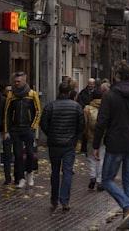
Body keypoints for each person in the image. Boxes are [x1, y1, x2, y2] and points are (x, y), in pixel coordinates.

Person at [93, 60, 129, 230]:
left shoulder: (109, 95)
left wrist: (96, 145)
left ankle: (127, 206)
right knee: (128, 182)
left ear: (117, 75)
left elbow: (101, 121)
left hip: (115, 143)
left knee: (107, 179)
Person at [40, 81, 84, 214]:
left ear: (58, 91)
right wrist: (74, 137)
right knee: (67, 172)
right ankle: (65, 200)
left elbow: (43, 123)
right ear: (70, 92)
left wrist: (51, 134)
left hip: (54, 144)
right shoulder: (76, 107)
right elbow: (81, 125)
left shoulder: (50, 106)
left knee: (54, 171)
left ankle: (54, 198)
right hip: (69, 144)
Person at [3, 72, 41, 189]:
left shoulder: (32, 94)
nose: (16, 83)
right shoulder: (11, 95)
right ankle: (20, 178)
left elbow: (38, 111)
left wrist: (33, 126)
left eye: (19, 81)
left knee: (30, 153)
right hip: (15, 129)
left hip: (28, 128)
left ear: (25, 81)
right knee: (18, 155)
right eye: (15, 81)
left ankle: (29, 173)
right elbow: (7, 113)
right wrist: (6, 130)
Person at [83, 82, 108, 190]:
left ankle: (92, 176)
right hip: (103, 137)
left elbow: (84, 124)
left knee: (91, 158)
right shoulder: (106, 107)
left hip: (90, 137)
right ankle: (99, 180)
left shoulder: (87, 108)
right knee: (101, 158)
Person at [77, 78, 97, 154]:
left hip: (93, 112)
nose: (91, 85)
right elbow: (80, 101)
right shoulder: (83, 92)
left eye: (92, 84)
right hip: (85, 112)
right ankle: (84, 149)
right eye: (89, 84)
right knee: (85, 131)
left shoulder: (96, 92)